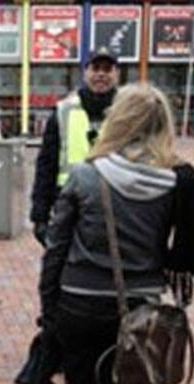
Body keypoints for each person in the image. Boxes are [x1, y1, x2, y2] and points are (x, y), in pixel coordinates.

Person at [39, 83, 194, 384]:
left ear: (117, 119)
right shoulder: (180, 181)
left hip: (76, 304)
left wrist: (49, 308)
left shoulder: (84, 176)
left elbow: (54, 248)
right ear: (161, 126)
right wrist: (161, 262)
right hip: (136, 310)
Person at [31, 48, 120, 246]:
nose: (101, 74)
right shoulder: (64, 110)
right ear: (86, 72)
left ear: (117, 74)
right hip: (71, 203)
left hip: (116, 203)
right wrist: (40, 215)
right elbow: (46, 164)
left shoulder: (128, 110)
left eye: (107, 69)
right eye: (95, 68)